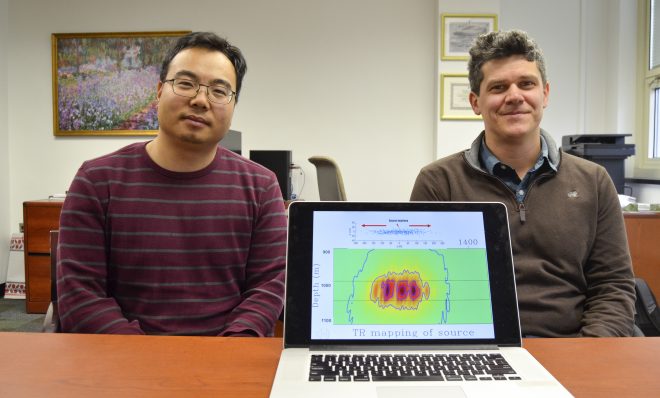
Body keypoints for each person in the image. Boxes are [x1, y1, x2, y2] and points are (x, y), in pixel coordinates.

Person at [56, 32, 287, 336]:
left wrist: (230, 353)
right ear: (159, 91)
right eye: (186, 83)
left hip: (229, 360)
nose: (200, 100)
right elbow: (80, 297)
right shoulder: (97, 181)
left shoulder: (261, 186)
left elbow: (268, 289)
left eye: (219, 90)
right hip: (124, 364)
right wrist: (147, 364)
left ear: (233, 105)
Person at [410, 30, 635, 337]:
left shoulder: (594, 181)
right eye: (498, 87)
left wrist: (588, 352)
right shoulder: (439, 182)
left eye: (526, 84)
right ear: (476, 102)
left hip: (572, 346)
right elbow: (425, 290)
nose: (514, 96)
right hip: (476, 350)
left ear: (545, 93)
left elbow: (613, 287)